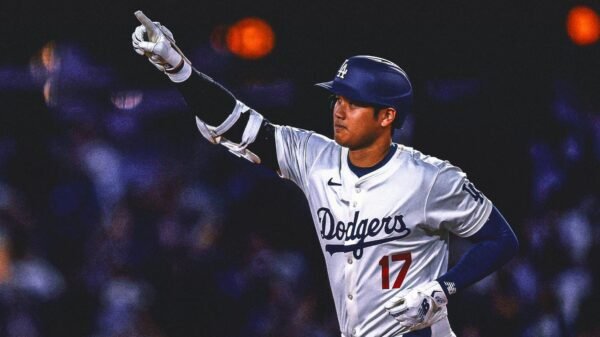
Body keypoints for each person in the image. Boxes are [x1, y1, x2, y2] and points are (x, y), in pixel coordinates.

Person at [131, 12, 519, 337]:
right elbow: (235, 122)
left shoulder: (430, 179)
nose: (339, 109)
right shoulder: (315, 157)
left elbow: (502, 239)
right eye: (338, 97)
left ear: (387, 116)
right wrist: (178, 68)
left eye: (353, 103)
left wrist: (441, 289)